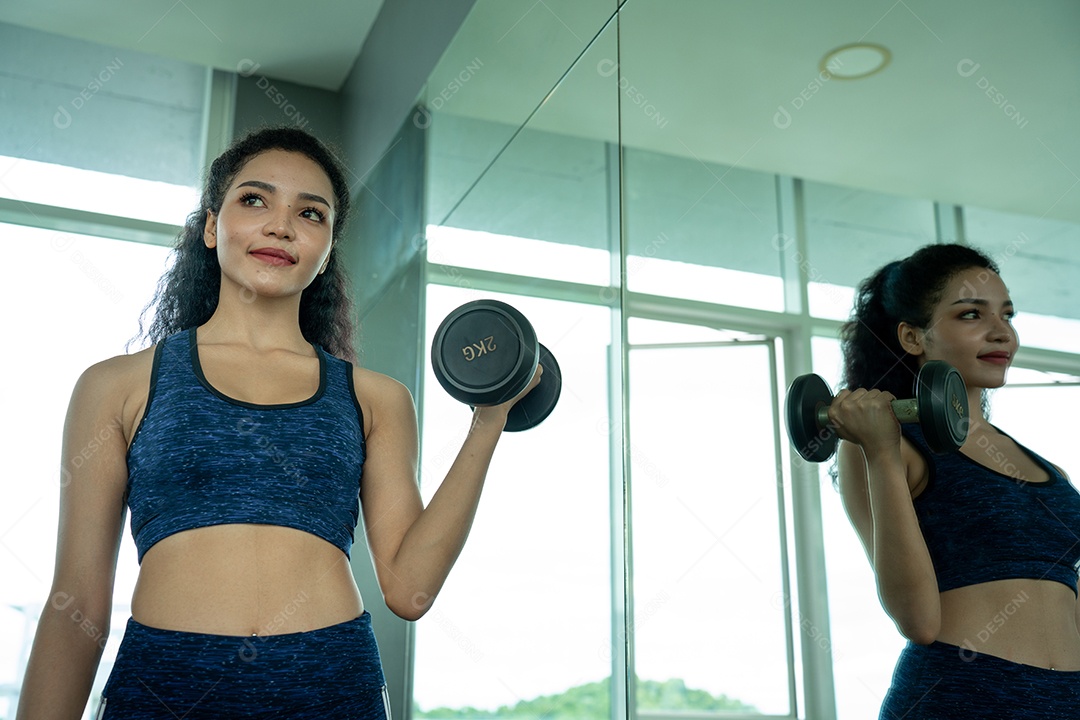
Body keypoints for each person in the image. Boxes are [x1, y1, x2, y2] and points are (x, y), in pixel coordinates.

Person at [16, 126, 540, 719]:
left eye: (310, 213)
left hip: (331, 686)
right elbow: (76, 606)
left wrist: (488, 419)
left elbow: (408, 586)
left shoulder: (376, 399)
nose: (280, 225)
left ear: (326, 250)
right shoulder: (117, 386)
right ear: (212, 227)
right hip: (165, 687)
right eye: (254, 200)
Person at [831, 243, 1080, 718]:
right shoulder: (885, 444)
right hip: (962, 695)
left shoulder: (1050, 472)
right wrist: (881, 451)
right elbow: (918, 621)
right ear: (912, 337)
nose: (1000, 331)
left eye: (1007, 314)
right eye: (971, 314)